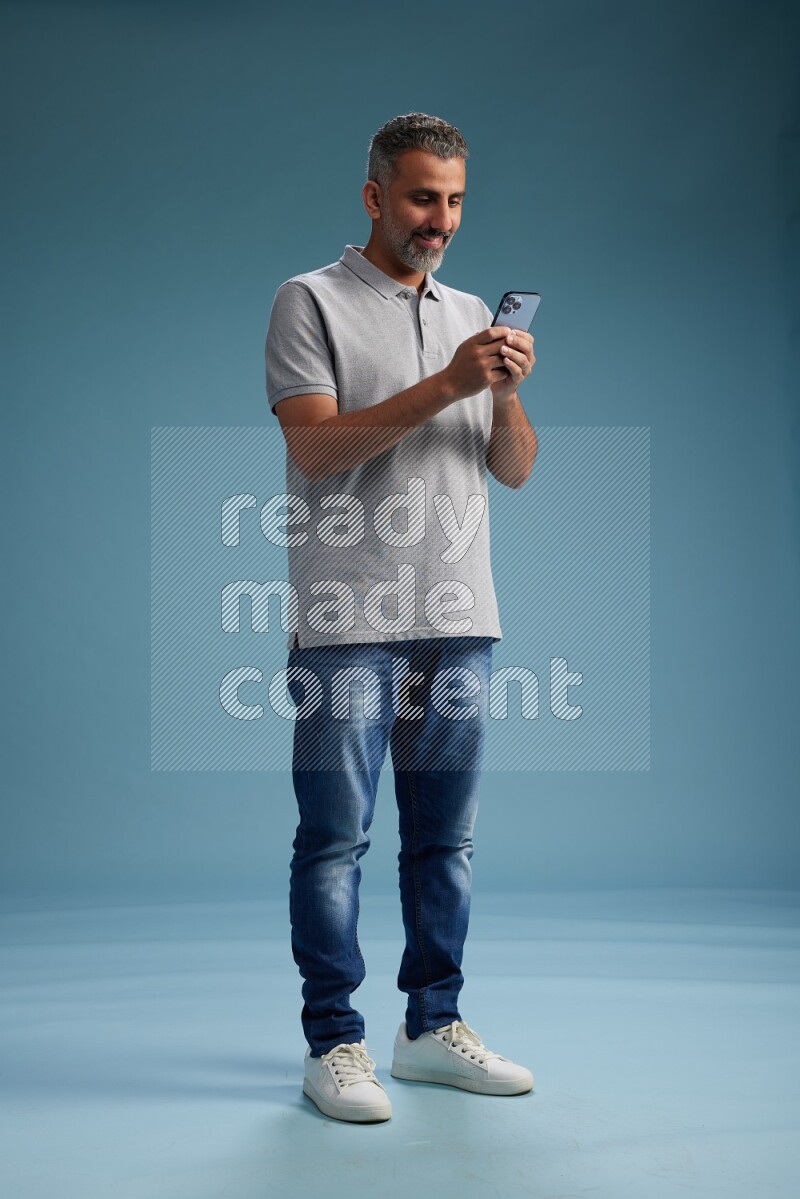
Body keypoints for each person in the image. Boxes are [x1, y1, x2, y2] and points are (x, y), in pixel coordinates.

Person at [264, 112, 537, 1123]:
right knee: (334, 839)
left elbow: (512, 468)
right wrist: (448, 380)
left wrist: (501, 390)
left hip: (460, 609)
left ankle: (429, 1027)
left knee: (445, 842)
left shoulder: (469, 310)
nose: (441, 219)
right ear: (375, 196)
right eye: (423, 196)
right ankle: (333, 1042)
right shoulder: (309, 301)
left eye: (456, 199)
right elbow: (319, 451)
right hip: (348, 614)